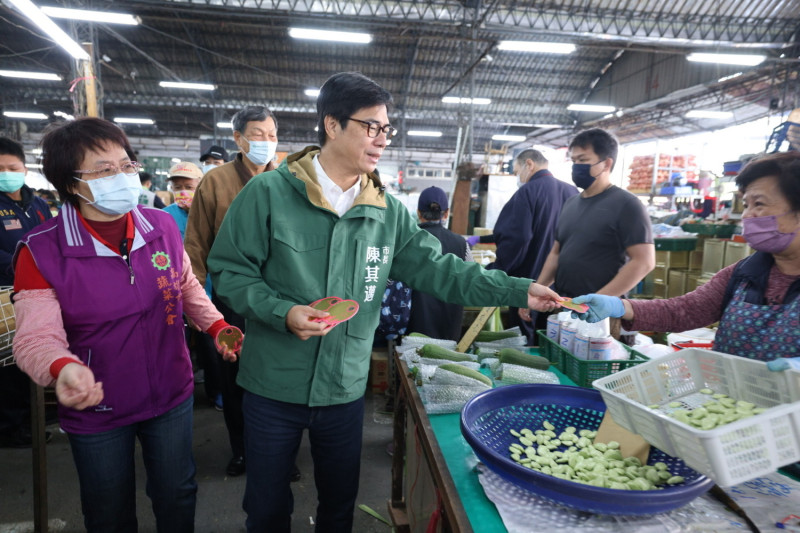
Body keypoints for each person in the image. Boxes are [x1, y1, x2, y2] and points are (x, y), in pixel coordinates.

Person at [206, 71, 562, 532]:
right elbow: (230, 272)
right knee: (267, 506)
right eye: (370, 126)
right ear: (332, 125)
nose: (381, 140)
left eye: (386, 129)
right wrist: (283, 312)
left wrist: (518, 288)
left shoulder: (386, 212)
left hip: (344, 386)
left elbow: (442, 271)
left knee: (339, 506)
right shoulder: (268, 194)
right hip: (273, 384)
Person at [11, 117, 242, 532]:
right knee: (108, 509)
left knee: (177, 493)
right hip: (96, 403)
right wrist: (64, 368)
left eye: (126, 165)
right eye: (104, 169)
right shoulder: (42, 250)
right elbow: (35, 338)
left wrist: (216, 325)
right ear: (70, 182)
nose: (121, 176)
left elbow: (185, 285)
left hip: (170, 392)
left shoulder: (162, 226)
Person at [571, 151, 800, 368]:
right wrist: (620, 306)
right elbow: (683, 310)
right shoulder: (743, 274)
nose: (748, 215)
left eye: (759, 204)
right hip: (733, 403)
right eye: (747, 205)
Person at [184, 104, 283, 478]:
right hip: (233, 300)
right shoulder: (216, 181)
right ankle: (241, 450)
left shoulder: (287, 181)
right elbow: (195, 244)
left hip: (278, 302)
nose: (266, 142)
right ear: (238, 139)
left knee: (277, 381)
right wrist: (196, 307)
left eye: (272, 135)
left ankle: (280, 455)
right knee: (236, 378)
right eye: (258, 135)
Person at [534, 128, 655, 335]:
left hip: (601, 316)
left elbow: (644, 262)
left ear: (606, 163)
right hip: (564, 305)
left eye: (583, 160)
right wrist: (537, 290)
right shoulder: (571, 203)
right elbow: (556, 253)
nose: (576, 167)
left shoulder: (627, 205)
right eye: (573, 161)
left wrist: (598, 302)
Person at [468, 149, 577, 343]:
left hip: (528, 285)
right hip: (562, 286)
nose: (518, 177)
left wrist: (497, 271)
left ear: (529, 164)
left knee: (523, 342)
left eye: (517, 171)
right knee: (555, 340)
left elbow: (516, 239)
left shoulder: (527, 193)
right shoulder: (572, 193)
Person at [0, 137, 53, 448]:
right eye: (0, 169)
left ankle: (31, 416)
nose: (7, 173)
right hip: (5, 294)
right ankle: (11, 426)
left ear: (23, 168)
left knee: (33, 353)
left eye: (12, 167)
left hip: (39, 293)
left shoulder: (39, 204)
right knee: (8, 364)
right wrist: (22, 267)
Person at [163, 161, 223, 410]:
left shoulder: (214, 212)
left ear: (201, 187)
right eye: (177, 187)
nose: (182, 191)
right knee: (174, 344)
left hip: (209, 292)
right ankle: (174, 393)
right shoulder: (164, 217)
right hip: (171, 294)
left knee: (212, 347)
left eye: (188, 186)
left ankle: (217, 391)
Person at [406, 186, 471, 341]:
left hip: (416, 327)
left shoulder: (408, 241)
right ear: (446, 213)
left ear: (419, 213)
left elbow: (389, 281)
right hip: (449, 328)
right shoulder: (461, 243)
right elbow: (471, 278)